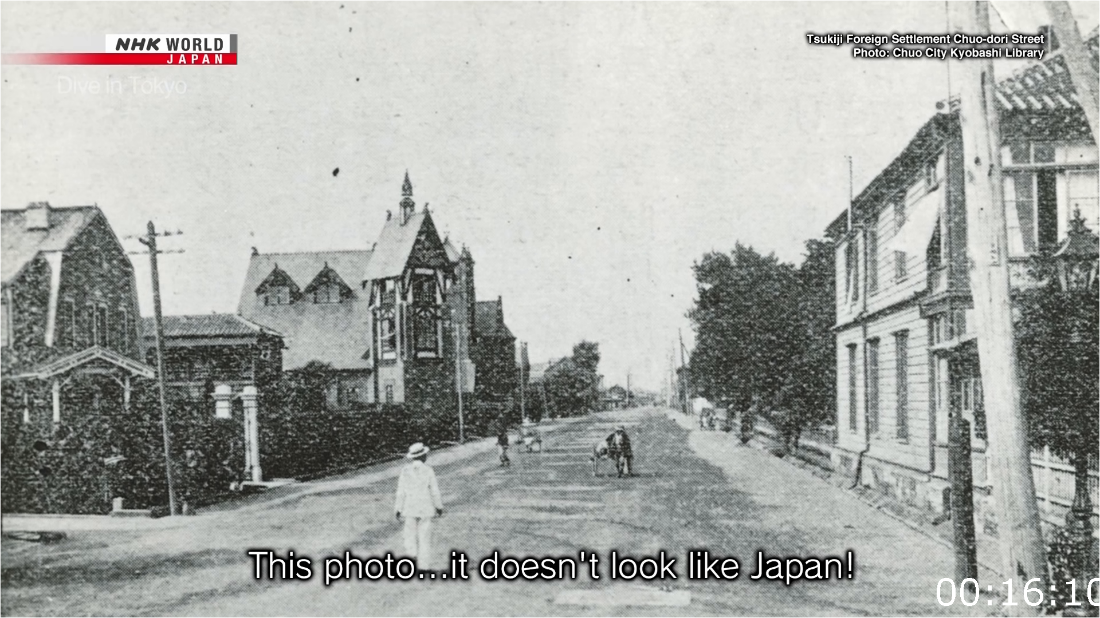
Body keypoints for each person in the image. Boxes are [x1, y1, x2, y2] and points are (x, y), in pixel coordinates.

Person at [394, 442, 444, 569]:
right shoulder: (428, 470)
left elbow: (401, 492)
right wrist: (438, 506)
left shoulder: (405, 471)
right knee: (424, 537)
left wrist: (398, 508)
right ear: (423, 456)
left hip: (410, 507)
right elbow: (434, 490)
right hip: (425, 507)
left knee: (409, 534)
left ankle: (411, 557)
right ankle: (424, 566)